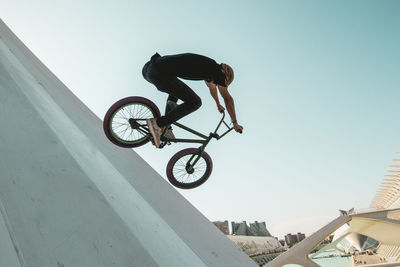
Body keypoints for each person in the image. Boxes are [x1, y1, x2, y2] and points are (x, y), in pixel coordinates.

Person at [142, 52, 243, 147]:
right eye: (220, 83)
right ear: (224, 72)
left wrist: (218, 104)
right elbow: (227, 98)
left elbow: (212, 88)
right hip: (159, 74)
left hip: (149, 68)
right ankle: (158, 124)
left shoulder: (209, 67)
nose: (217, 84)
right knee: (196, 102)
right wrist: (235, 123)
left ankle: (166, 125)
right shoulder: (218, 71)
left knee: (179, 90)